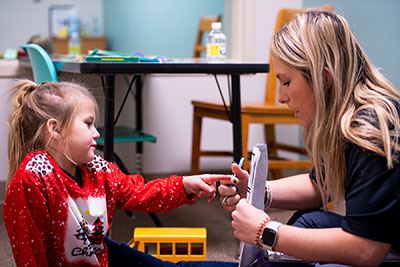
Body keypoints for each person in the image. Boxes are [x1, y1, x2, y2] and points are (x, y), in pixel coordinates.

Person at [218, 10, 400, 267]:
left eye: (287, 82)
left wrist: (266, 231)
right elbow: (320, 185)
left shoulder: (373, 127)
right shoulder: (348, 117)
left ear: (323, 78)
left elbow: (365, 250)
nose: (281, 97)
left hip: (379, 248)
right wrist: (256, 191)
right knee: (309, 223)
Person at [3, 80, 236, 267]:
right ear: (55, 128)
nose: (96, 133)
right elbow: (30, 256)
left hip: (103, 254)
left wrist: (185, 184)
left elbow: (139, 192)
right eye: (88, 124)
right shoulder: (33, 179)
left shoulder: (97, 168)